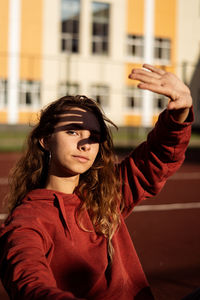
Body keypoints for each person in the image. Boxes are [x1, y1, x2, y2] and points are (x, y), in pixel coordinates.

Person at [0, 64, 193, 300]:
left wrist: (180, 112)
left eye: (94, 136)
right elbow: (28, 278)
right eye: (73, 132)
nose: (86, 143)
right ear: (45, 140)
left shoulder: (106, 192)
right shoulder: (28, 219)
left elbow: (156, 157)